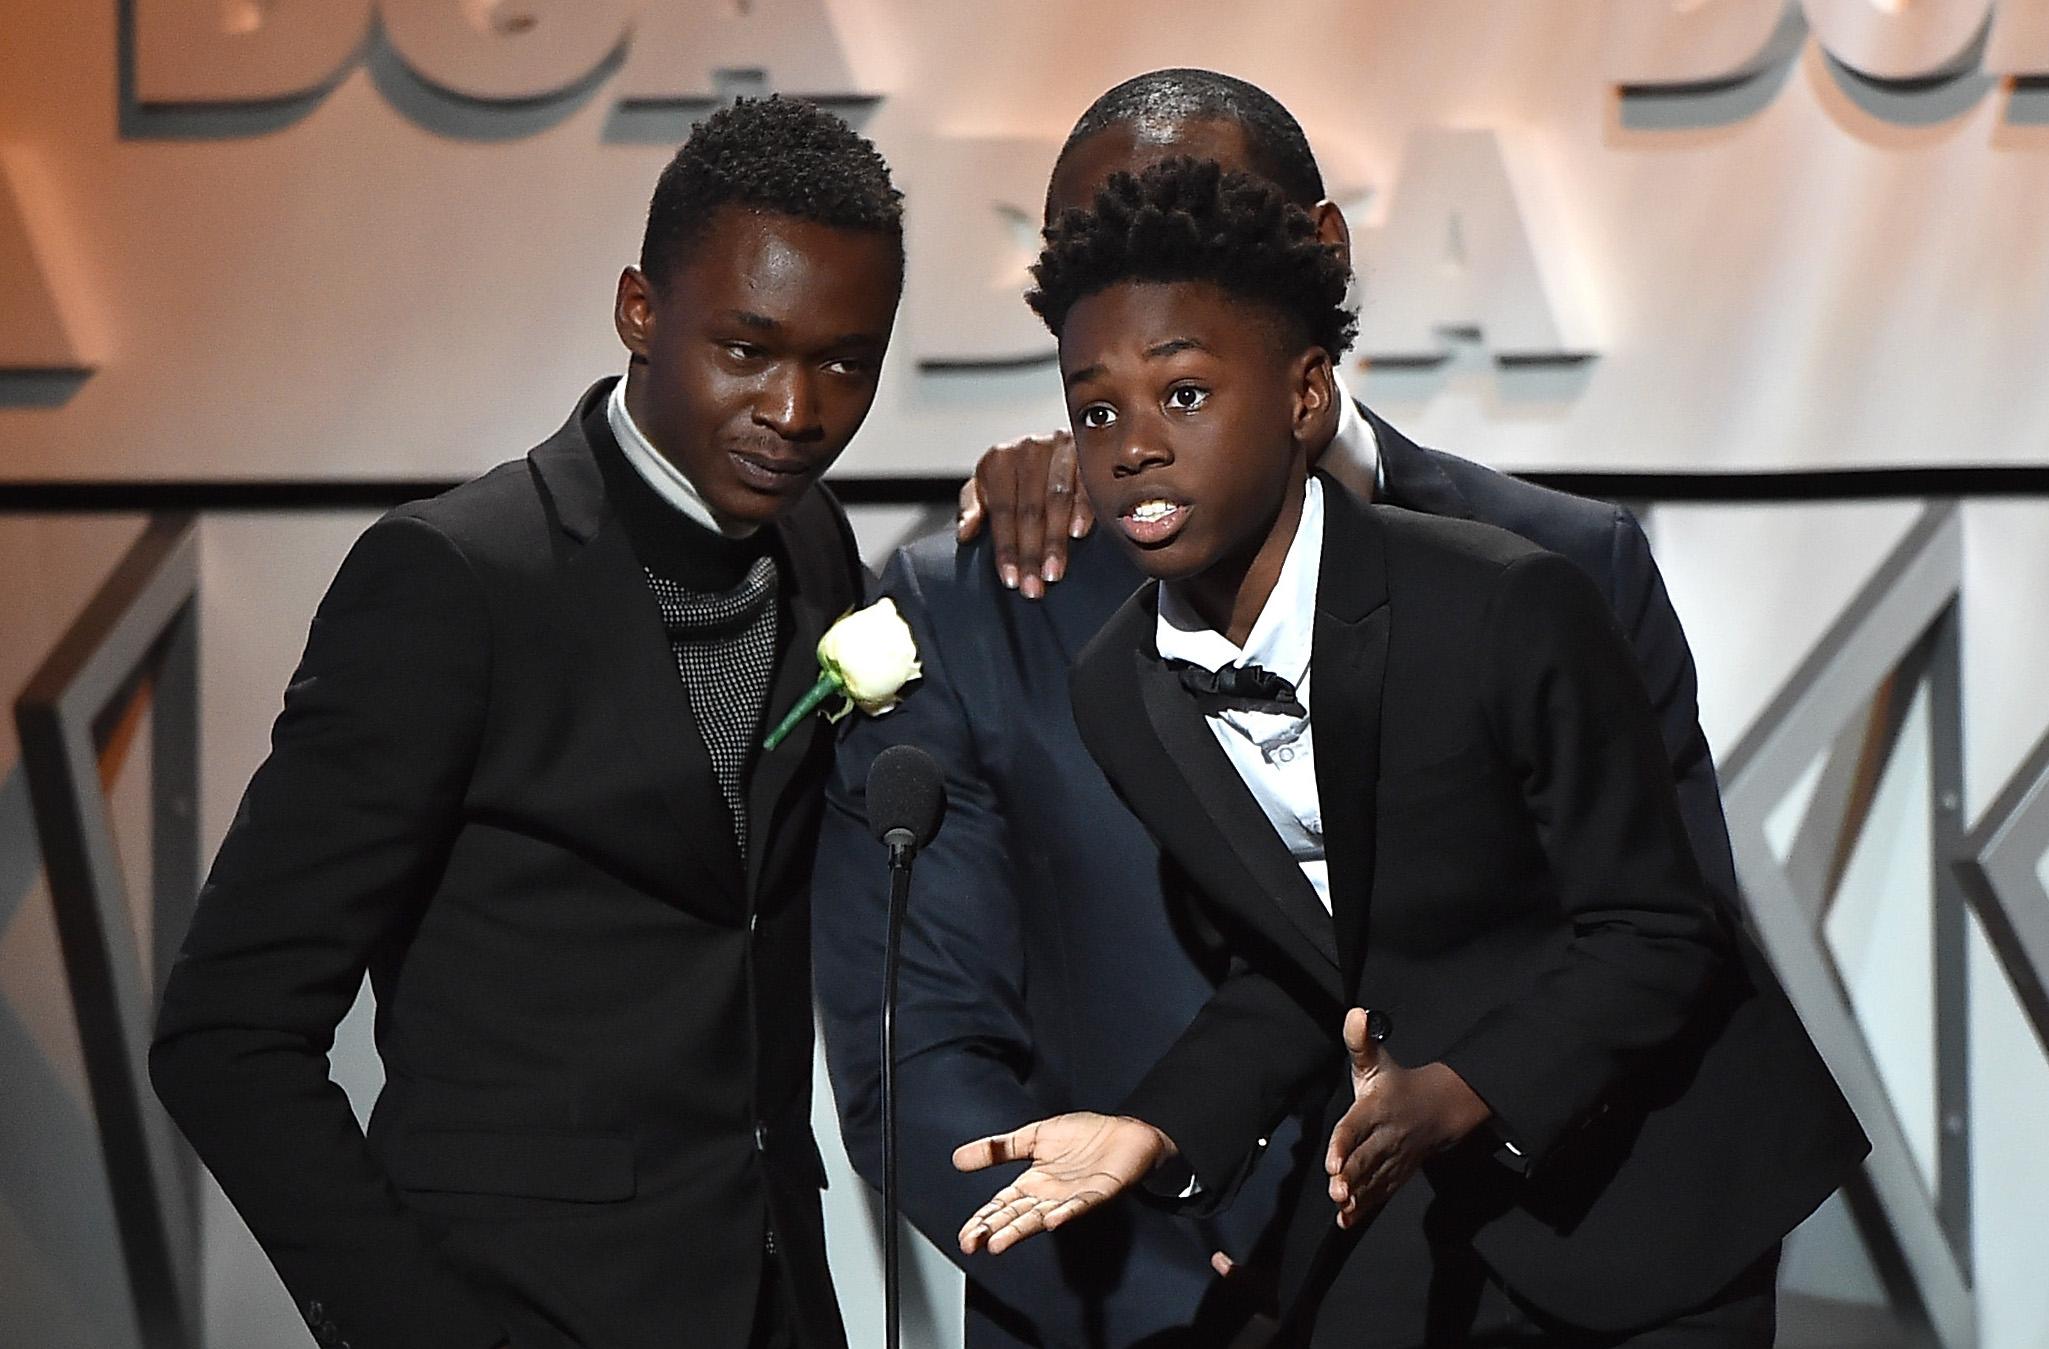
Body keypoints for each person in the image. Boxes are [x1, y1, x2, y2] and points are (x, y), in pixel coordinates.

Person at [812, 69, 1762, 1347]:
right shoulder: (990, 606)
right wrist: (1173, 1289)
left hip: (1572, 1290)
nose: (1136, 273)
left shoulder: (1556, 566)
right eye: (1092, 261)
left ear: (1315, 265)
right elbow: (918, 1056)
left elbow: (1667, 937)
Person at [149, 97, 902, 1349]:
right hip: (527, 1311)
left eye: (846, 361)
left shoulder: (814, 545)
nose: (799, 408)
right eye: (750, 347)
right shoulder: (455, 581)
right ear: (639, 312)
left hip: (776, 1305)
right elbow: (226, 1031)